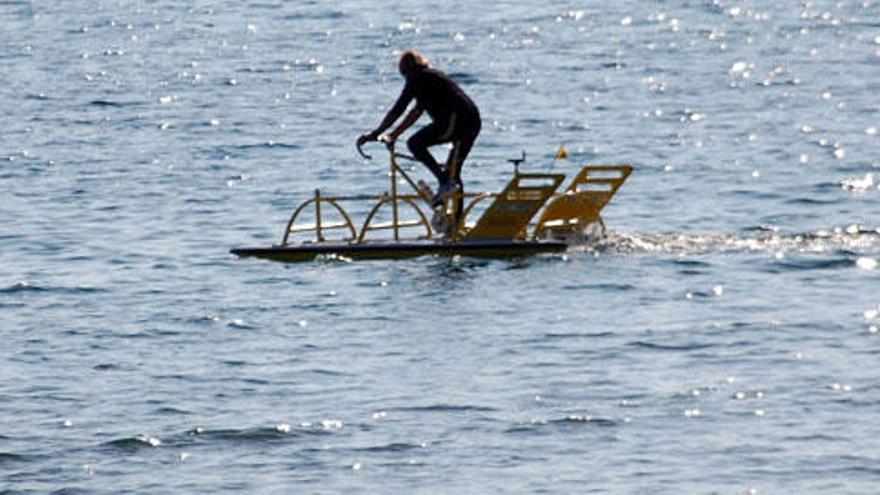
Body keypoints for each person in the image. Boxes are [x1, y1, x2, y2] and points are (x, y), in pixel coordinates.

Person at [357, 50, 481, 208]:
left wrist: (374, 134)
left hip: (457, 121)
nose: (406, 79)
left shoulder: (416, 78)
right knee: (453, 172)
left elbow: (398, 110)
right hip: (472, 121)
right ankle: (455, 222)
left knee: (415, 144)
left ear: (407, 70)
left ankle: (444, 183)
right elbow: (415, 112)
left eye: (404, 75)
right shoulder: (429, 77)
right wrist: (393, 135)